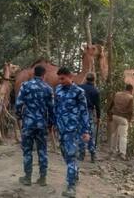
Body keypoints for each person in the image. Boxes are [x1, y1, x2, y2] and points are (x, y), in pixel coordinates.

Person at [15, 65, 54, 186]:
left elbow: (18, 103)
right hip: (41, 124)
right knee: (42, 151)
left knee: (27, 151)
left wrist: (19, 116)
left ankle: (27, 177)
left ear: (34, 74)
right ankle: (43, 178)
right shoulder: (48, 88)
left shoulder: (25, 86)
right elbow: (52, 108)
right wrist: (51, 123)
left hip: (28, 123)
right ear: (44, 75)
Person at [54, 67, 90, 197]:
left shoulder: (79, 92)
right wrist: (53, 124)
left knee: (70, 157)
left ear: (71, 77)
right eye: (59, 79)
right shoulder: (57, 90)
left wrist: (86, 130)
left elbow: (84, 112)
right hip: (61, 129)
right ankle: (75, 171)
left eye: (63, 78)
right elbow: (55, 108)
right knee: (65, 155)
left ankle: (71, 187)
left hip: (73, 130)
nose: (60, 81)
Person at [78, 72, 100, 163]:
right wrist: (98, 117)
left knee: (81, 132)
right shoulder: (95, 91)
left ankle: (81, 154)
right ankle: (92, 154)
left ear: (86, 78)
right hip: (89, 112)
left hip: (80, 112)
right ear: (94, 79)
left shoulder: (80, 88)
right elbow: (98, 106)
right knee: (90, 133)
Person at [107, 84, 134, 160]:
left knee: (114, 134)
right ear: (131, 90)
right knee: (123, 136)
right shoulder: (130, 97)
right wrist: (130, 120)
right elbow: (131, 111)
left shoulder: (117, 94)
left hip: (114, 116)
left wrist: (109, 115)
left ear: (125, 88)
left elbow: (111, 105)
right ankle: (122, 153)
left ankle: (112, 150)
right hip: (123, 118)